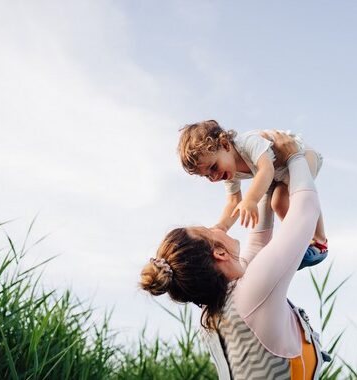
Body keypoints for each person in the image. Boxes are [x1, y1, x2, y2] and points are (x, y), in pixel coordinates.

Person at [140, 131, 329, 379]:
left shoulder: (220, 308)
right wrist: (294, 156)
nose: (217, 227)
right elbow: (306, 212)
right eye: (209, 230)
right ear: (218, 253)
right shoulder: (252, 294)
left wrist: (268, 175)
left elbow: (259, 240)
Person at [177, 120, 328, 269]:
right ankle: (302, 241)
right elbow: (233, 201)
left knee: (279, 201)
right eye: (207, 175)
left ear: (225, 144)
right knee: (277, 203)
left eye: (213, 167)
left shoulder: (248, 142)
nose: (214, 177)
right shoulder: (229, 172)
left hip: (302, 154)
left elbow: (266, 170)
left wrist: (251, 200)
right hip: (280, 172)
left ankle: (320, 241)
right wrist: (221, 227)